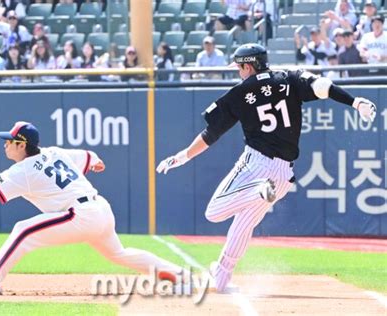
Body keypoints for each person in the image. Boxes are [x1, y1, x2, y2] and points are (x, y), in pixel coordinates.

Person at [156, 43, 376, 293]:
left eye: (239, 67)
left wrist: (183, 156)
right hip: (283, 175)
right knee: (244, 223)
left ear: (248, 66)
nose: (238, 72)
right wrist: (355, 102)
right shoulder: (289, 78)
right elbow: (323, 87)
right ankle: (222, 277)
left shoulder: (240, 92)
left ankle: (258, 190)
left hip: (256, 166)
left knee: (214, 212)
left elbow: (211, 133)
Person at [0, 121, 184, 295]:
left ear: (22, 144)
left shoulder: (23, 170)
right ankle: (176, 273)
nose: (5, 144)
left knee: (22, 230)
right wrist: (96, 162)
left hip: (81, 215)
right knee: (118, 253)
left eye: (9, 141)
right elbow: (89, 156)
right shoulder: (54, 152)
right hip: (101, 209)